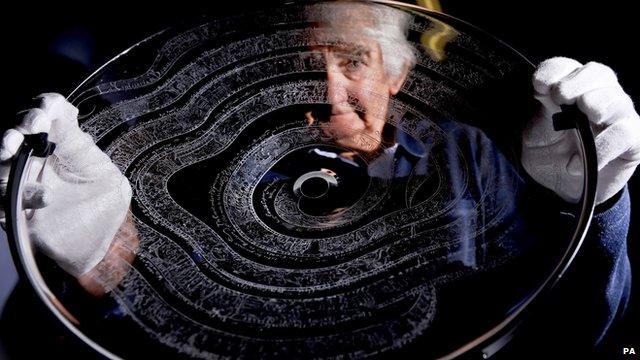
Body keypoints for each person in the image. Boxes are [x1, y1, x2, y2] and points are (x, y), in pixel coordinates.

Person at [0, 1, 638, 357]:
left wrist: (592, 209)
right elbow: (38, 352)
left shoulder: (469, 162)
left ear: (397, 72)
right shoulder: (183, 185)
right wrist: (93, 263)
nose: (329, 95)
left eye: (354, 61)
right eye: (303, 67)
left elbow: (574, 333)